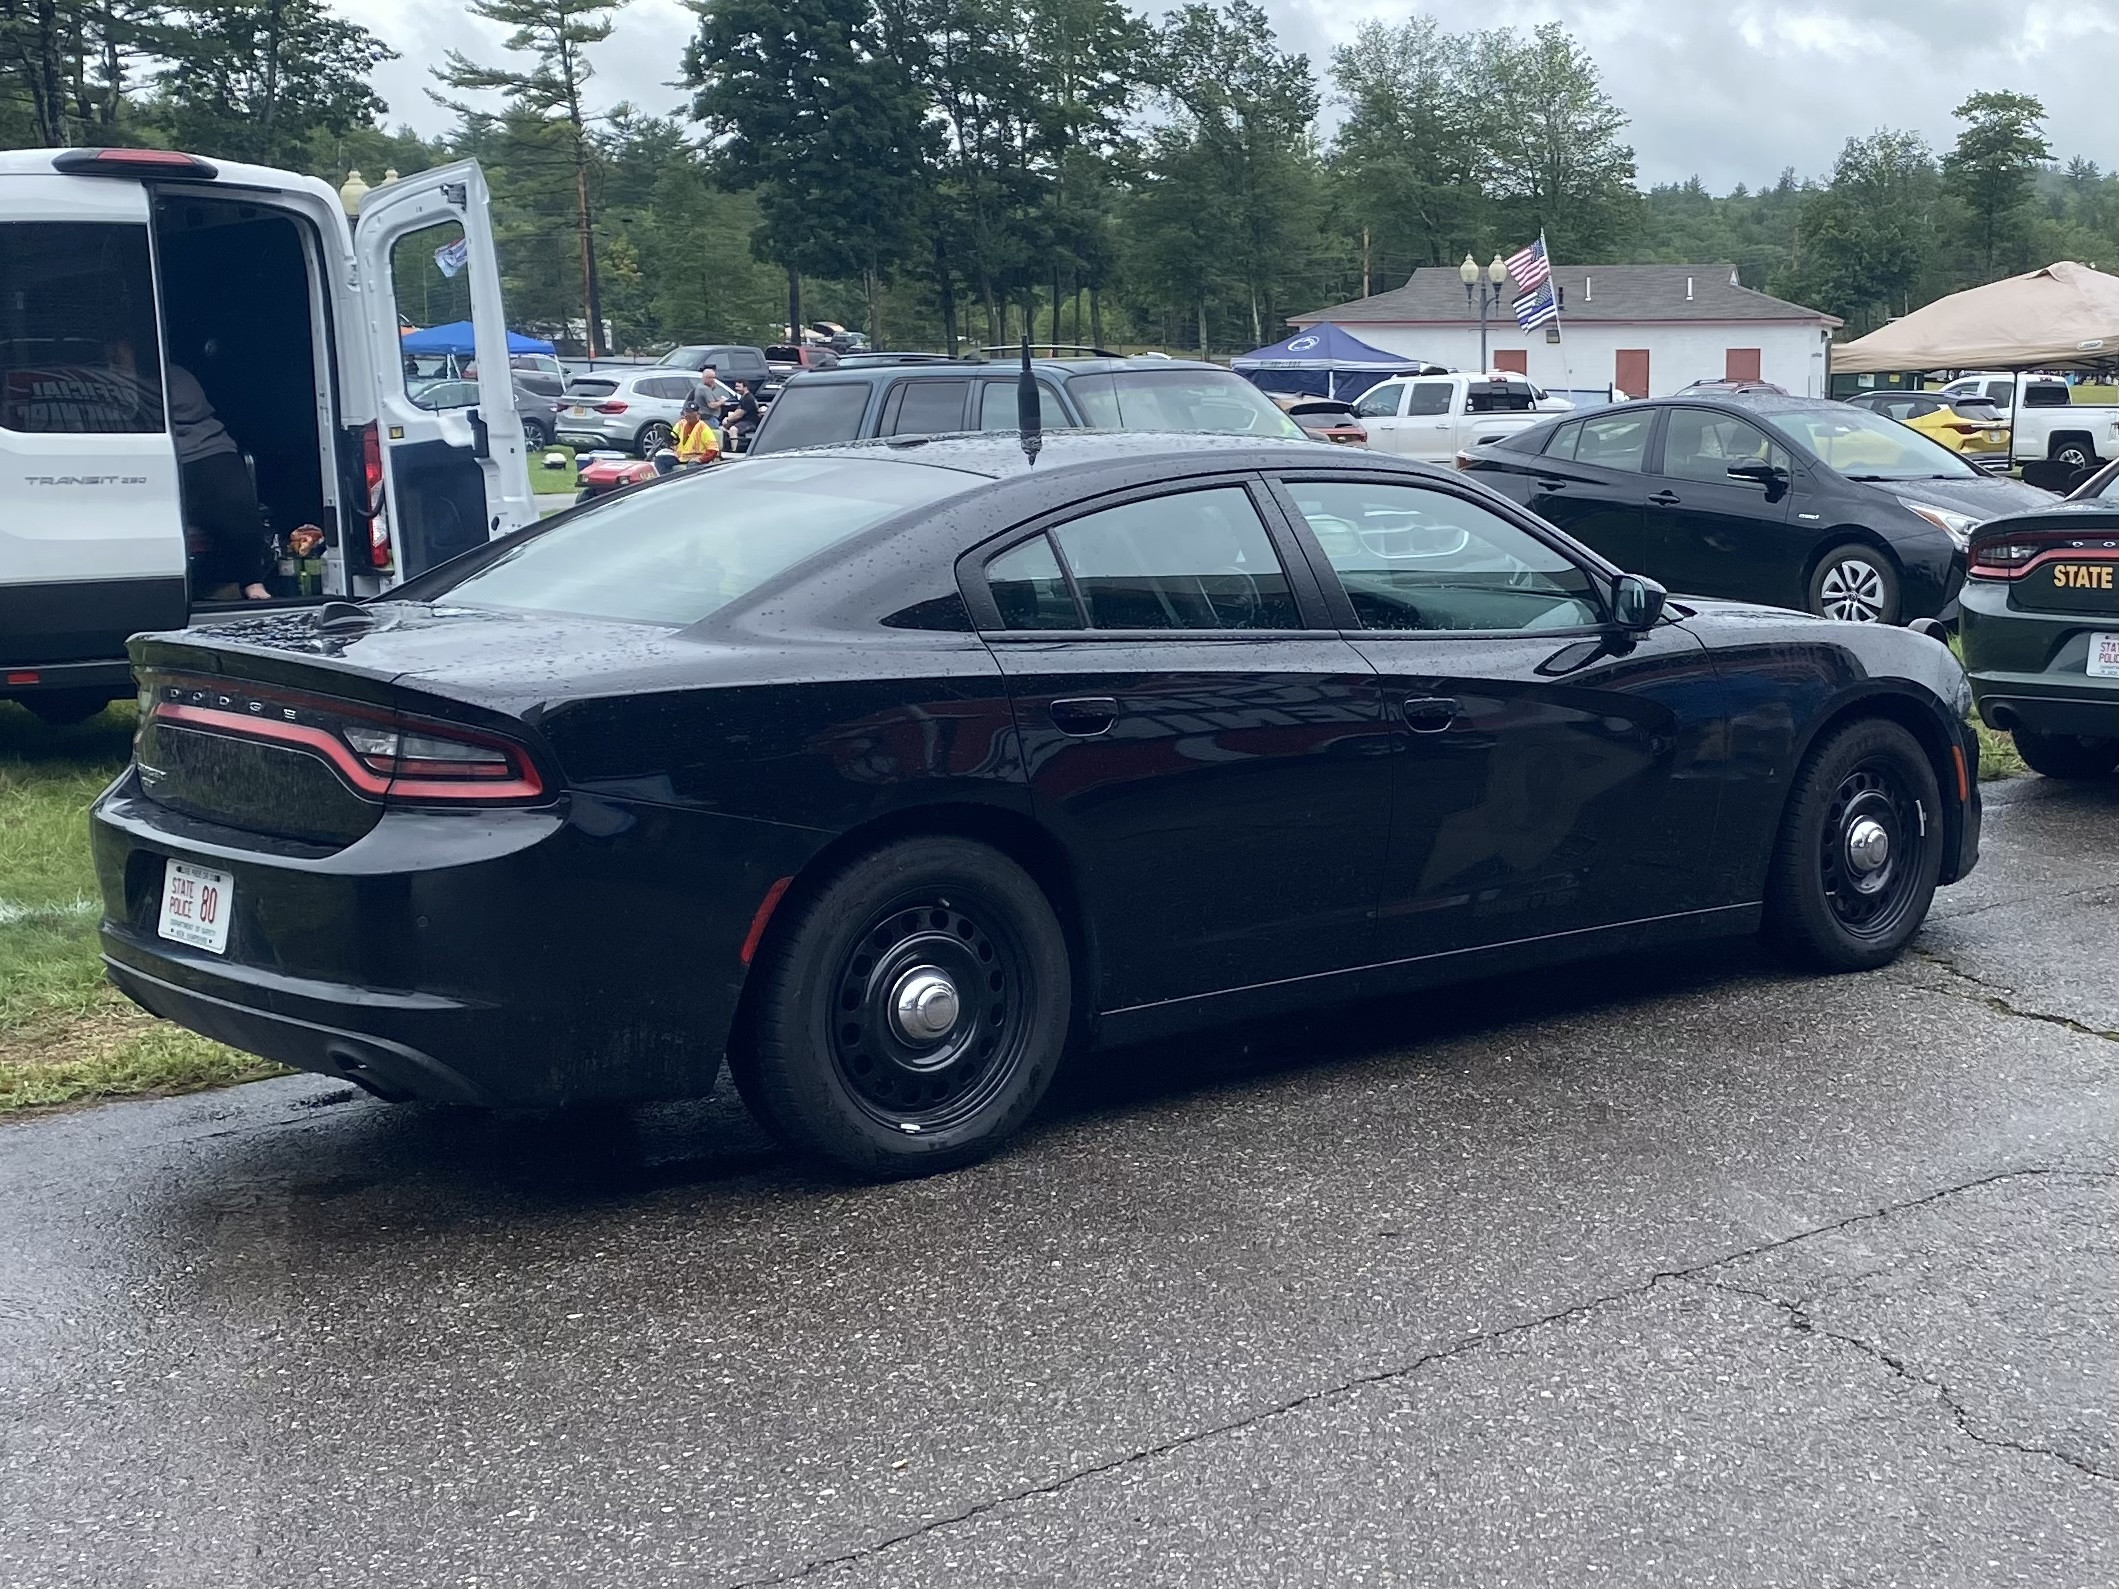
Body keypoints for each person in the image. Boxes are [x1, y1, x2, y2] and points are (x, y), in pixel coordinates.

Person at [168, 363, 270, 601]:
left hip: (204, 450)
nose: (115, 354)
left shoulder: (175, 376)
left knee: (235, 506)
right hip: (163, 452)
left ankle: (252, 582)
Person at [671, 396, 720, 466]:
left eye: (692, 412)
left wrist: (701, 458)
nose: (689, 415)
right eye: (687, 412)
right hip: (679, 457)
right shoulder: (680, 424)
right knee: (661, 460)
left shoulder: (703, 428)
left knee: (692, 465)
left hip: (695, 459)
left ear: (698, 414)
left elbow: (713, 450)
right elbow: (671, 438)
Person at [723, 379, 762, 451]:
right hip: (743, 421)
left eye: (738, 386)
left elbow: (740, 414)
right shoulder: (743, 397)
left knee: (733, 429)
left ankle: (734, 450)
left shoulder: (748, 398)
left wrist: (728, 419)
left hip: (750, 422)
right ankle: (727, 447)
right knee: (724, 428)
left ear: (745, 387)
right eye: (736, 386)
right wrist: (729, 418)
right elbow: (738, 410)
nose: (736, 388)